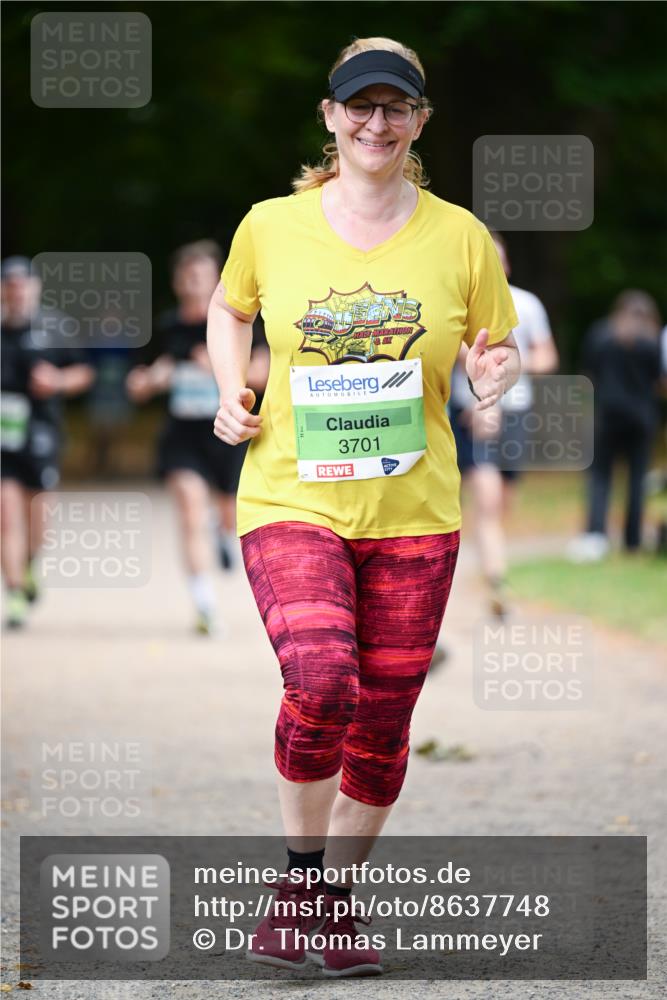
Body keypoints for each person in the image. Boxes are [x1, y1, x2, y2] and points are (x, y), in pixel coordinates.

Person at [207, 37, 520, 977]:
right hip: (290, 491)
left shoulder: (460, 236)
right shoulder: (271, 224)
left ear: (418, 122)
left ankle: (325, 908)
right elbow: (230, 310)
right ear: (330, 117)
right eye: (359, 106)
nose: (374, 123)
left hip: (415, 510)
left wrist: (491, 370)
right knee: (321, 680)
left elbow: (498, 342)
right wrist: (231, 387)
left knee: (383, 719)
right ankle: (302, 886)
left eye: (395, 109)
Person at [126, 241, 269, 635]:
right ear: (176, 282)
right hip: (182, 437)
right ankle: (205, 605)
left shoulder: (240, 323)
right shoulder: (167, 328)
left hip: (229, 436)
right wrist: (151, 379)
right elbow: (136, 382)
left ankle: (223, 535)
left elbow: (262, 373)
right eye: (187, 275)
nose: (194, 283)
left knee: (230, 515)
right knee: (190, 509)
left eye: (202, 275)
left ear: (218, 280)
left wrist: (219, 368)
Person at [447, 232, 558, 617]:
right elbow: (456, 354)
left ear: (506, 265)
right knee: (488, 498)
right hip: (475, 412)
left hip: (516, 412)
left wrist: (514, 361)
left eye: (496, 259)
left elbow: (546, 357)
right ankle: (497, 581)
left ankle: (490, 563)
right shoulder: (457, 305)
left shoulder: (527, 305)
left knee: (501, 501)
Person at [1, 256, 95, 628]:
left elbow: (84, 373)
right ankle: (15, 594)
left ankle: (29, 565)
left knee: (38, 518)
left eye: (22, 285)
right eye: (9, 286)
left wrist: (56, 381)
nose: (16, 292)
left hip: (41, 434)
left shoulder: (55, 329)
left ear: (35, 288)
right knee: (6, 516)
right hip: (3, 440)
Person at [567, 289, 662, 561]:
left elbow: (589, 373)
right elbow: (657, 380)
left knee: (599, 477)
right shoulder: (651, 341)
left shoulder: (601, 334)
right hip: (641, 417)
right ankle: (632, 540)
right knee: (636, 479)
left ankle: (596, 535)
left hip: (606, 415)